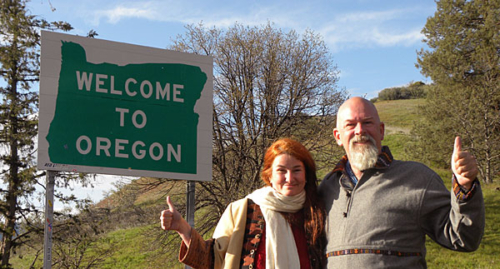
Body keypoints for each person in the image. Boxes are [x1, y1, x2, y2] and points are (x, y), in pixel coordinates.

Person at [318, 97, 485, 268]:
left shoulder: (418, 178)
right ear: (338, 136)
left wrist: (465, 186)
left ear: (381, 130)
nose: (360, 130)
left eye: (367, 122)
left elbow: (464, 238)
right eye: (350, 125)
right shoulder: (327, 187)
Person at [161, 138, 326, 269]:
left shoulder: (318, 212)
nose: (289, 178)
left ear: (306, 174)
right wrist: (182, 227)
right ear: (269, 176)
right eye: (281, 170)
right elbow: (212, 260)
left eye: (296, 170)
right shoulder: (242, 210)